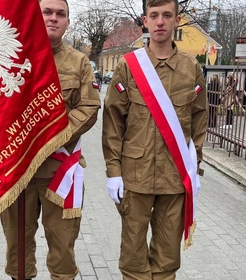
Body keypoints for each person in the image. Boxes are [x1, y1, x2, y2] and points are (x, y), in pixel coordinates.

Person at [102, 0, 207, 279]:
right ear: (145, 21)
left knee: (167, 261)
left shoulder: (191, 69)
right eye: (154, 15)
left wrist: (195, 169)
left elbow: (199, 121)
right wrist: (113, 172)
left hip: (174, 179)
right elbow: (113, 122)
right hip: (135, 177)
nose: (160, 21)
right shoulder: (128, 66)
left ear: (177, 20)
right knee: (133, 261)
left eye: (167, 15)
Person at [0, 0, 101, 279]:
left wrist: (52, 134)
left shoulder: (79, 62)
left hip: (60, 172)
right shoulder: (11, 57)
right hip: (17, 173)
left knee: (63, 249)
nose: (54, 18)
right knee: (17, 250)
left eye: (61, 14)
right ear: (35, 16)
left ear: (68, 22)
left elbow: (90, 107)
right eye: (47, 12)